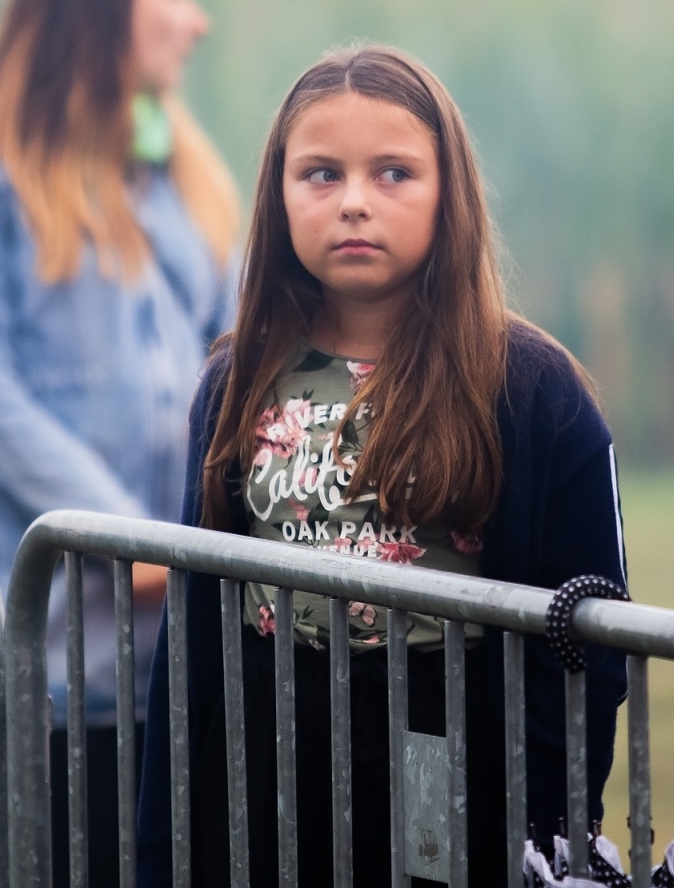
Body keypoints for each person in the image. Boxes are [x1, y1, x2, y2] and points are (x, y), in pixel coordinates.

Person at [134, 45, 628, 886]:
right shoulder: (236, 377)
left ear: (450, 194)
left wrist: (549, 830)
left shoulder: (528, 385)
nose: (355, 202)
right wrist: (162, 841)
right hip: (266, 772)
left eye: (393, 173)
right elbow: (192, 629)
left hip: (442, 762)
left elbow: (588, 636)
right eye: (320, 175)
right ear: (278, 196)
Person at [0, 0, 240, 888]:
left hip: (188, 649)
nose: (197, 20)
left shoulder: (175, 171)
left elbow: (232, 350)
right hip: (65, 660)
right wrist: (118, 532)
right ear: (102, 7)